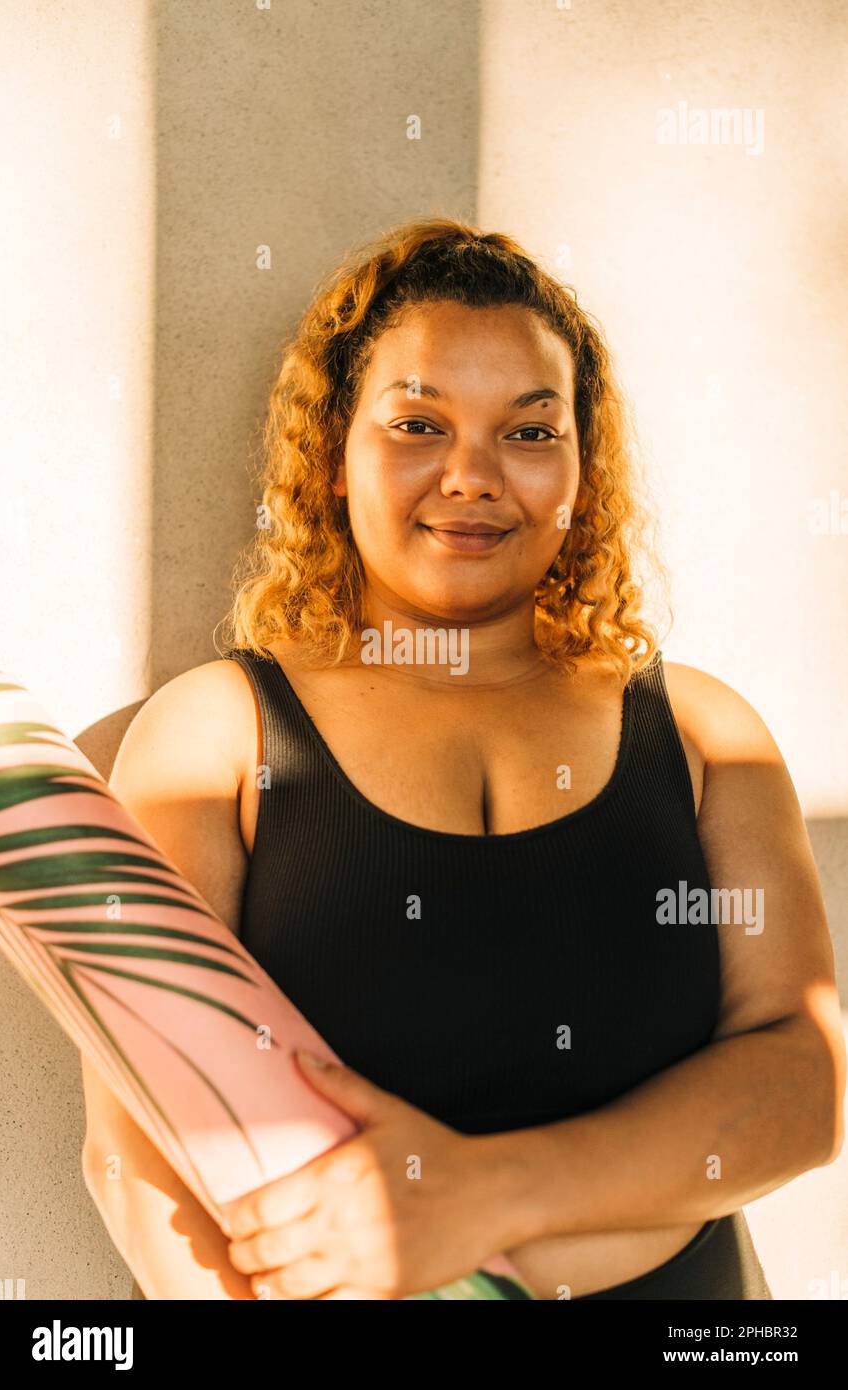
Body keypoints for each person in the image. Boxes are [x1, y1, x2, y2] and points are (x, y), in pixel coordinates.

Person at [82, 218, 844, 1300]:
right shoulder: (214, 737)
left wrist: (484, 1193)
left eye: (529, 434)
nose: (471, 476)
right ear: (332, 453)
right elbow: (137, 1152)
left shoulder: (700, 734)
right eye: (416, 423)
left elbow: (803, 1084)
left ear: (582, 468)